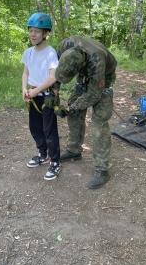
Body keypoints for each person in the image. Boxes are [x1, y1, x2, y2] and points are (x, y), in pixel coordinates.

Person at [55, 36, 117, 189]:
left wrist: (72, 107)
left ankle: (102, 169)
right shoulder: (64, 46)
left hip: (103, 79)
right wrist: (54, 100)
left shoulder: (97, 60)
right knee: (74, 114)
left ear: (81, 63)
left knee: (99, 122)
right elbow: (54, 75)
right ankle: (74, 150)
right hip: (83, 77)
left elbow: (94, 94)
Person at [22, 12, 61, 180]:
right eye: (31, 30)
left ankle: (55, 162)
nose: (33, 34)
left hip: (46, 97)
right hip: (33, 96)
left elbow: (53, 77)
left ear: (45, 33)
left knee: (49, 130)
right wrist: (24, 89)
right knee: (35, 128)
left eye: (37, 31)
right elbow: (25, 73)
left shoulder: (50, 53)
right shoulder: (28, 52)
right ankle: (43, 154)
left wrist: (36, 91)